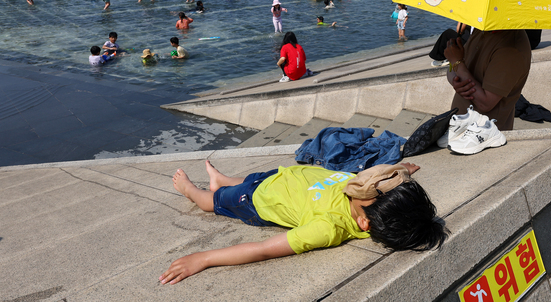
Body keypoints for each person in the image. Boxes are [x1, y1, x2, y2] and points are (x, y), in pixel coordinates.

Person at [159, 160, 446, 285]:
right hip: (279, 176)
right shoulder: (373, 198)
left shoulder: (329, 227)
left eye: (376, 186)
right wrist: (401, 172)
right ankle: (220, 179)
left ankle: (193, 191)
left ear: (363, 222)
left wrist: (205, 258)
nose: (373, 181)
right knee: (242, 181)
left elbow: (263, 249)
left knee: (217, 200)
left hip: (257, 201)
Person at [443, 29, 532, 131]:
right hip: (460, 127)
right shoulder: (482, 31)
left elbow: (485, 103)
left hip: (483, 135)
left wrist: (456, 63)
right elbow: (456, 69)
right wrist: (456, 76)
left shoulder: (511, 48)